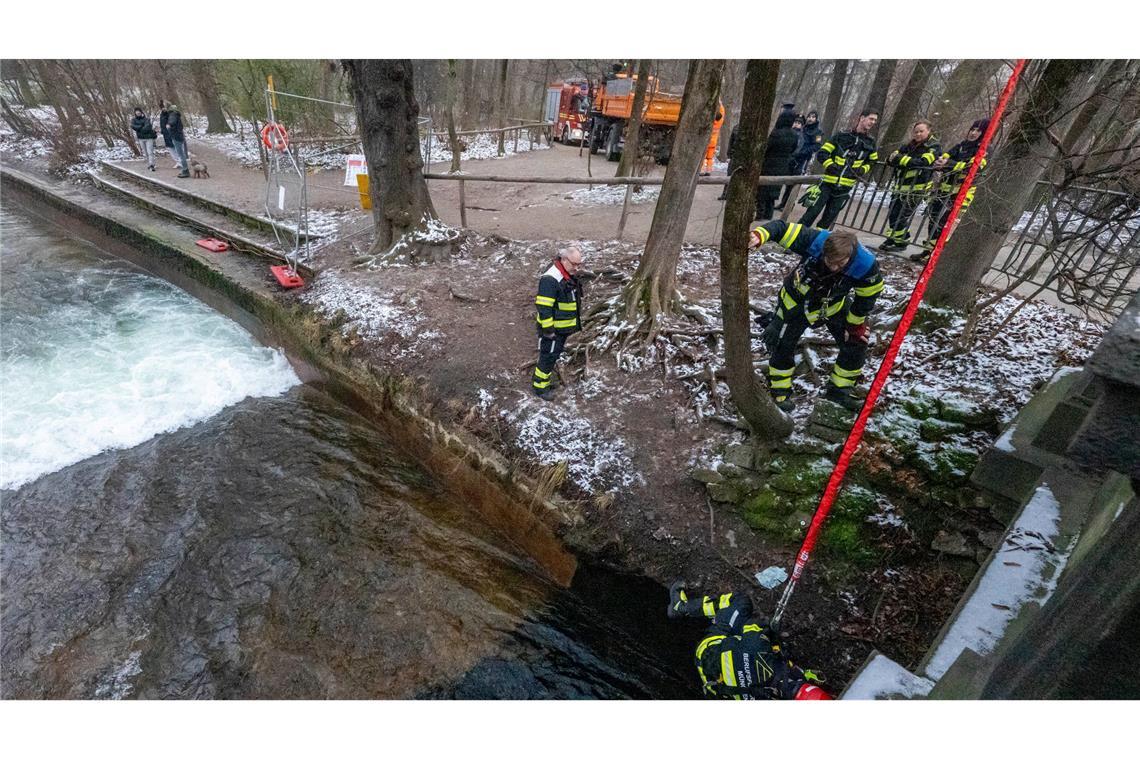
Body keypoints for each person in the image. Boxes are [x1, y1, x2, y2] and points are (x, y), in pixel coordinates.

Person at [747, 220, 885, 411]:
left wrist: (855, 326)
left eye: (841, 264)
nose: (834, 268)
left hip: (833, 306)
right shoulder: (814, 240)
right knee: (781, 344)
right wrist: (760, 235)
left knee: (857, 342)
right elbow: (781, 228)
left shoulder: (866, 266)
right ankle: (780, 392)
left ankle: (840, 389)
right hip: (795, 302)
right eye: (830, 262)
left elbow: (867, 297)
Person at [667, 582, 831, 700]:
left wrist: (768, 629)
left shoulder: (759, 648)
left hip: (708, 651)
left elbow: (752, 627)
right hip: (714, 686)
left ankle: (681, 607)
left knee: (741, 602)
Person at [912, 118, 990, 262]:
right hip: (944, 190)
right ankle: (929, 251)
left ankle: (937, 256)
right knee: (933, 219)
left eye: (978, 131)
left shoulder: (983, 151)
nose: (973, 133)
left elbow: (972, 168)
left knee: (945, 224)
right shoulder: (961, 146)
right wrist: (942, 162)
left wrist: (949, 164)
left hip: (961, 194)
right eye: (972, 129)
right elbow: (945, 157)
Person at [798, 109, 879, 230]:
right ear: (862, 118)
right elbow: (823, 153)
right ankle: (795, 238)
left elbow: (873, 161)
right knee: (811, 213)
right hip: (828, 184)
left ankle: (815, 244)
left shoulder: (871, 142)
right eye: (871, 118)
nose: (873, 122)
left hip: (845, 188)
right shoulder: (842, 135)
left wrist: (863, 169)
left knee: (827, 220)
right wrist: (829, 164)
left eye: (875, 120)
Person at [879, 120, 940, 252]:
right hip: (900, 186)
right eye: (916, 131)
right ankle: (893, 238)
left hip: (916, 189)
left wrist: (901, 160)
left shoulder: (933, 146)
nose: (918, 134)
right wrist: (899, 160)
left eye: (921, 131)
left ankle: (902, 242)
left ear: (929, 131)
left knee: (902, 216)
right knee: (893, 214)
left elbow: (923, 162)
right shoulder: (909, 145)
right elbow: (891, 158)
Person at [532, 247, 584, 399]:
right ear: (564, 260)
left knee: (552, 355)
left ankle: (544, 381)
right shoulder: (550, 279)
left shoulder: (565, 274)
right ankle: (540, 388)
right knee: (547, 356)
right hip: (552, 330)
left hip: (560, 329)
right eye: (574, 264)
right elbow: (543, 307)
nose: (576, 268)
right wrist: (548, 331)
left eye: (579, 265)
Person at [756, 110, 800, 221]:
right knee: (773, 191)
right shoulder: (794, 135)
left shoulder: (775, 133)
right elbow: (794, 149)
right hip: (783, 165)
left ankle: (759, 214)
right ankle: (768, 215)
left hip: (769, 164)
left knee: (762, 190)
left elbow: (767, 148)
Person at [777, 110, 823, 211]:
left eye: (813, 117)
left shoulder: (818, 132)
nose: (810, 119)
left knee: (795, 182)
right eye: (809, 116)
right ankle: (782, 203)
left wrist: (804, 152)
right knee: (788, 180)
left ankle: (789, 205)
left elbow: (817, 146)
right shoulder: (803, 128)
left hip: (803, 160)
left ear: (816, 119)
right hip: (793, 157)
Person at [701, 103, 726, 176]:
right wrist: (721, 104)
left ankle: (701, 170)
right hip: (713, 141)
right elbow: (722, 112)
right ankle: (708, 170)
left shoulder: (710, 121)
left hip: (706, 140)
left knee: (703, 157)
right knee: (710, 158)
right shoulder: (720, 120)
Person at [166, 103, 190, 178]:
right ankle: (184, 170)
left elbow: (172, 122)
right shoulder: (177, 115)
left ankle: (185, 171)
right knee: (181, 154)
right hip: (179, 136)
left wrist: (169, 125)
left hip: (176, 137)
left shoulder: (173, 115)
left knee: (181, 154)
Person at [130, 107, 157, 171]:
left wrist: (139, 128)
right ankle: (149, 163)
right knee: (145, 152)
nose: (138, 113)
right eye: (136, 112)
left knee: (150, 151)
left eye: (139, 111)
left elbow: (147, 127)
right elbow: (133, 126)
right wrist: (141, 126)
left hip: (148, 138)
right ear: (135, 113)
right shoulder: (134, 120)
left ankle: (151, 164)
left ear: (141, 112)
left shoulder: (146, 119)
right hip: (141, 138)